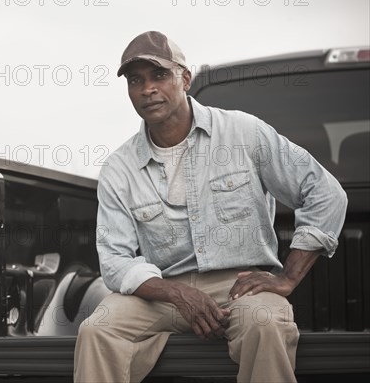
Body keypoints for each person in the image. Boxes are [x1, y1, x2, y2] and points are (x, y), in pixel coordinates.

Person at [73, 31, 348, 383]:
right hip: (160, 292)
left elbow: (325, 193)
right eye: (135, 80)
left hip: (239, 286)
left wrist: (288, 277)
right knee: (98, 330)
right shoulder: (118, 168)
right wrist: (177, 293)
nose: (147, 89)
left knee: (266, 325)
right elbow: (114, 261)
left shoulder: (243, 133)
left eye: (159, 75)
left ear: (184, 79)